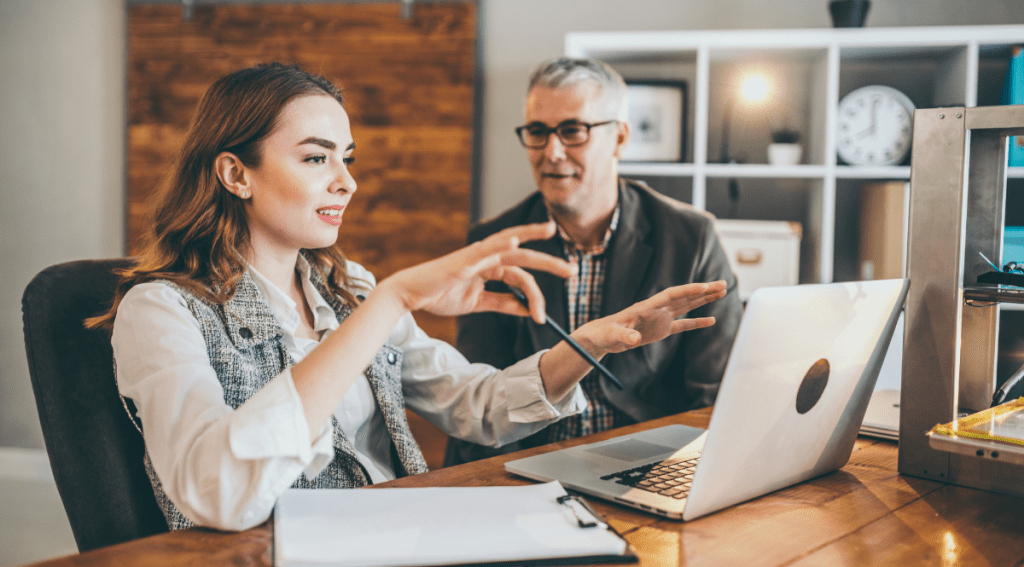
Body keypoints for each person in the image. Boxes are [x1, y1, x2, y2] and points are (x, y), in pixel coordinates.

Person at [86, 62, 728, 532]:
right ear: (236, 173)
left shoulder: (349, 289)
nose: (347, 182)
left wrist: (588, 345)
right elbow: (218, 494)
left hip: (400, 536)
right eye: (316, 159)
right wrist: (392, 301)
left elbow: (478, 406)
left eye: (347, 158)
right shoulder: (160, 311)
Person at [445, 58, 743, 466]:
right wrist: (508, 486)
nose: (552, 152)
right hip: (530, 466)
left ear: (619, 138)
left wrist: (676, 474)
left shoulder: (692, 238)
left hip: (648, 463)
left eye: (573, 131)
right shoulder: (493, 242)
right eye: (538, 132)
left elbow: (715, 396)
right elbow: (478, 399)